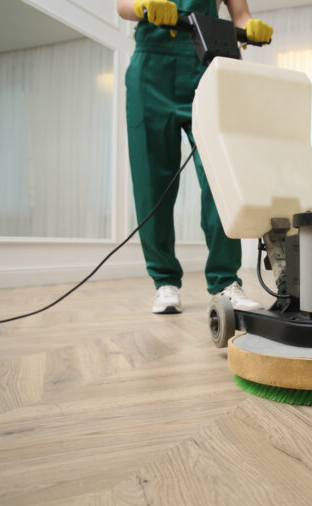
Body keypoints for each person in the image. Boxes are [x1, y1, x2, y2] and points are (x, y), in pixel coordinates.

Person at [116, 0, 272, 314]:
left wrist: (250, 25)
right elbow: (123, 6)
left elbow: (240, 13)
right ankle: (164, 282)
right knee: (152, 182)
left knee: (219, 180)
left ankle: (226, 281)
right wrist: (143, 6)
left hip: (207, 62)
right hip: (151, 69)